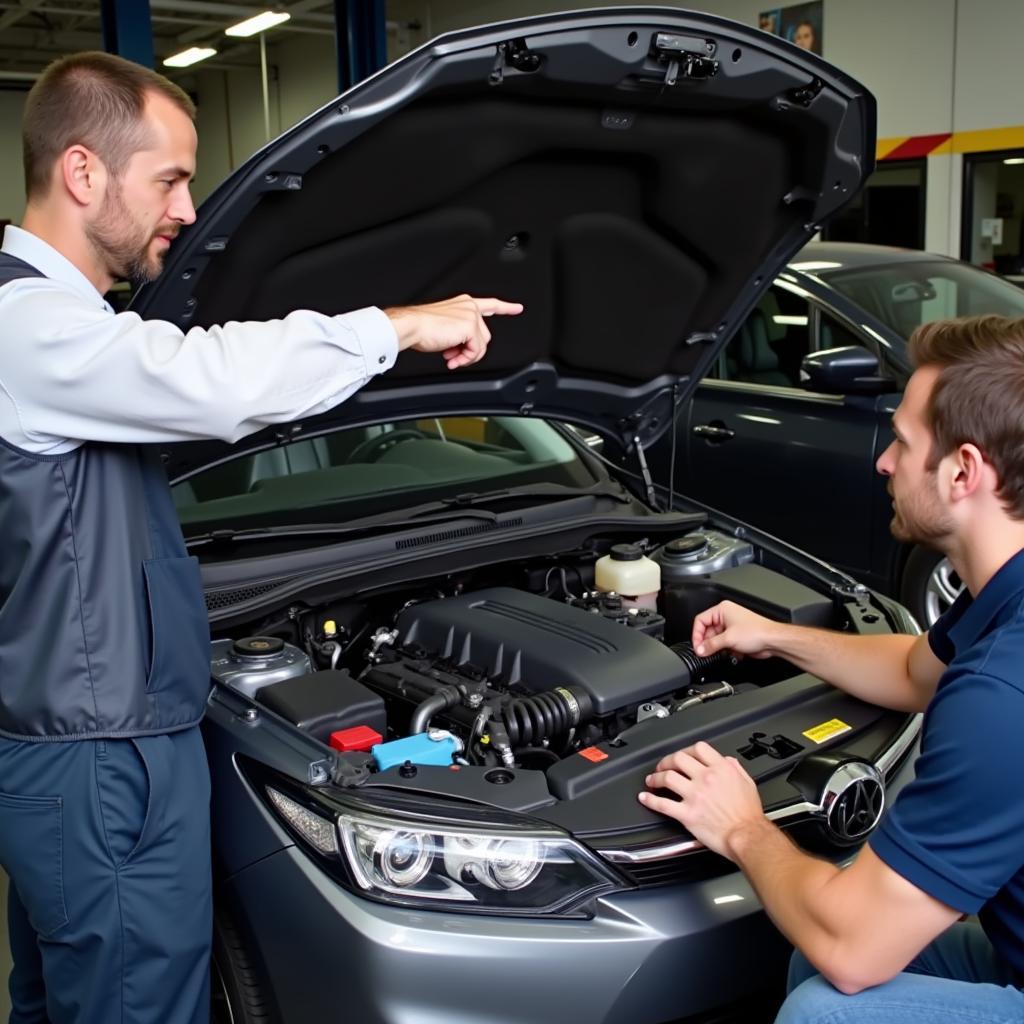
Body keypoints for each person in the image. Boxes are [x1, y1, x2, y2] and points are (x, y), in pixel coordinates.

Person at [0, 51, 522, 1024]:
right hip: (99, 759)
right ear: (81, 173)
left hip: (93, 744)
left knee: (65, 1001)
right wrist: (399, 324)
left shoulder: (70, 330)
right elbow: (214, 380)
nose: (188, 208)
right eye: (170, 178)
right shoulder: (26, 327)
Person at [639, 314, 1024, 1023]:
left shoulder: (1003, 695)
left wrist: (743, 828)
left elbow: (854, 950)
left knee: (827, 1006)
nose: (884, 462)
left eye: (903, 444)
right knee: (810, 952)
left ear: (964, 470)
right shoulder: (1007, 597)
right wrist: (775, 636)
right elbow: (915, 670)